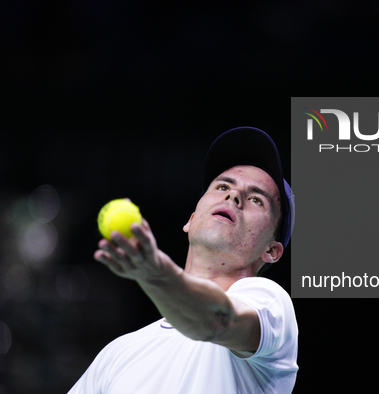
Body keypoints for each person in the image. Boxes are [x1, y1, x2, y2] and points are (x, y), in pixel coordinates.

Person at [69, 127, 297, 393]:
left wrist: (156, 274)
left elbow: (218, 320)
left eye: (257, 199)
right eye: (222, 186)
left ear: (271, 251)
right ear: (191, 220)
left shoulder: (271, 305)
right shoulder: (118, 355)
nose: (233, 196)